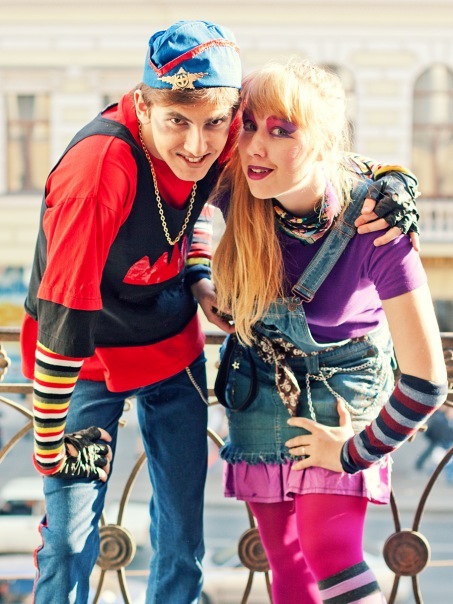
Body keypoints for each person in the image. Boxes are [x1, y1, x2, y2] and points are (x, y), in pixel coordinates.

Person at [20, 19, 421, 603]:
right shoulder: (112, 172)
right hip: (105, 359)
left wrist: (396, 180)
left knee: (212, 543)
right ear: (143, 105)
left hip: (202, 353)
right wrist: (50, 450)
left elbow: (297, 159)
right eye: (176, 122)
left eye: (215, 124)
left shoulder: (239, 143)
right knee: (71, 540)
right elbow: (65, 318)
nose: (197, 145)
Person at [212, 58, 448, 604]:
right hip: (259, 381)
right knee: (286, 562)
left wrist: (353, 452)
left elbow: (427, 381)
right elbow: (177, 204)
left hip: (342, 389)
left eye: (281, 131)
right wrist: (202, 276)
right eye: (249, 125)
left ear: (324, 144)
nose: (255, 147)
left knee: (330, 554)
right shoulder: (236, 187)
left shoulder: (376, 223)